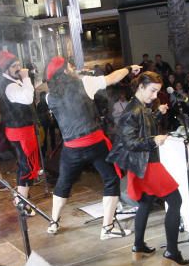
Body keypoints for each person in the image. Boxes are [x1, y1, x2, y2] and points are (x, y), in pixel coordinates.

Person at [44, 56, 140, 238]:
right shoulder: (85, 84)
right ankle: (107, 228)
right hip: (94, 142)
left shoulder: (49, 97)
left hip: (71, 147)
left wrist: (76, 76)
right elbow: (112, 78)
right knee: (111, 179)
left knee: (63, 183)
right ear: (65, 71)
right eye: (71, 67)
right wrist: (129, 67)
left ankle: (54, 223)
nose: (74, 68)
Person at [108, 71, 189, 265]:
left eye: (157, 92)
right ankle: (171, 250)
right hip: (147, 164)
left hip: (143, 163)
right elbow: (130, 142)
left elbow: (142, 127)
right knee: (175, 200)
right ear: (141, 87)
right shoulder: (132, 111)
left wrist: (156, 114)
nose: (155, 96)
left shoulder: (140, 107)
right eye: (152, 91)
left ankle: (138, 245)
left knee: (145, 202)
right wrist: (154, 140)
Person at [0, 50, 42, 214]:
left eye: (18, 64)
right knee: (25, 166)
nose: (18, 68)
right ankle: (21, 202)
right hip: (19, 131)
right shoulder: (10, 85)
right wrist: (26, 77)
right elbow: (28, 98)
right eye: (14, 66)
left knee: (26, 165)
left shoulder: (14, 83)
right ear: (6, 69)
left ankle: (20, 198)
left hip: (22, 129)